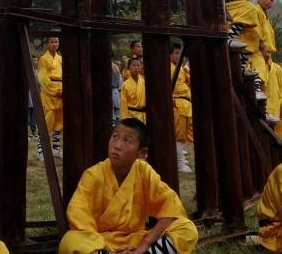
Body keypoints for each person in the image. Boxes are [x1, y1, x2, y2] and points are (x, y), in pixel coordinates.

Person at [60, 118, 197, 254]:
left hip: (135, 240)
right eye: (115, 136)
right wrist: (106, 249)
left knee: (187, 229)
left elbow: (171, 208)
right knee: (71, 240)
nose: (117, 145)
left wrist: (145, 244)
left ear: (141, 153)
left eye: (127, 141)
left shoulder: (144, 171)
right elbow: (78, 216)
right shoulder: (93, 175)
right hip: (99, 241)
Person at [37, 36, 63, 159]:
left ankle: (56, 149)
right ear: (47, 43)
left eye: (56, 42)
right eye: (51, 42)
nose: (54, 44)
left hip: (61, 94)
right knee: (46, 122)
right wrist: (54, 91)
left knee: (59, 123)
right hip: (49, 94)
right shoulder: (43, 59)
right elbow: (43, 78)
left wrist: (63, 90)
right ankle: (41, 151)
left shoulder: (61, 59)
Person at [170, 43, 193, 172]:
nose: (179, 56)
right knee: (178, 135)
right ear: (170, 55)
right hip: (177, 103)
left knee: (182, 134)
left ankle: (181, 162)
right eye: (176, 53)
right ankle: (180, 164)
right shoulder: (169, 68)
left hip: (185, 103)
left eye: (181, 54)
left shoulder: (182, 69)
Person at [263, 47, 282, 135]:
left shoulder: (277, 68)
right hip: (263, 110)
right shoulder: (254, 67)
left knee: (277, 139)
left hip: (276, 110)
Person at [121, 56, 147, 122]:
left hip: (143, 115)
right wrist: (125, 120)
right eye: (133, 65)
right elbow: (123, 104)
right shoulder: (125, 85)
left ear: (141, 67)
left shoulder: (144, 82)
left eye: (138, 65)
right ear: (129, 67)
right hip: (131, 115)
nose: (136, 68)